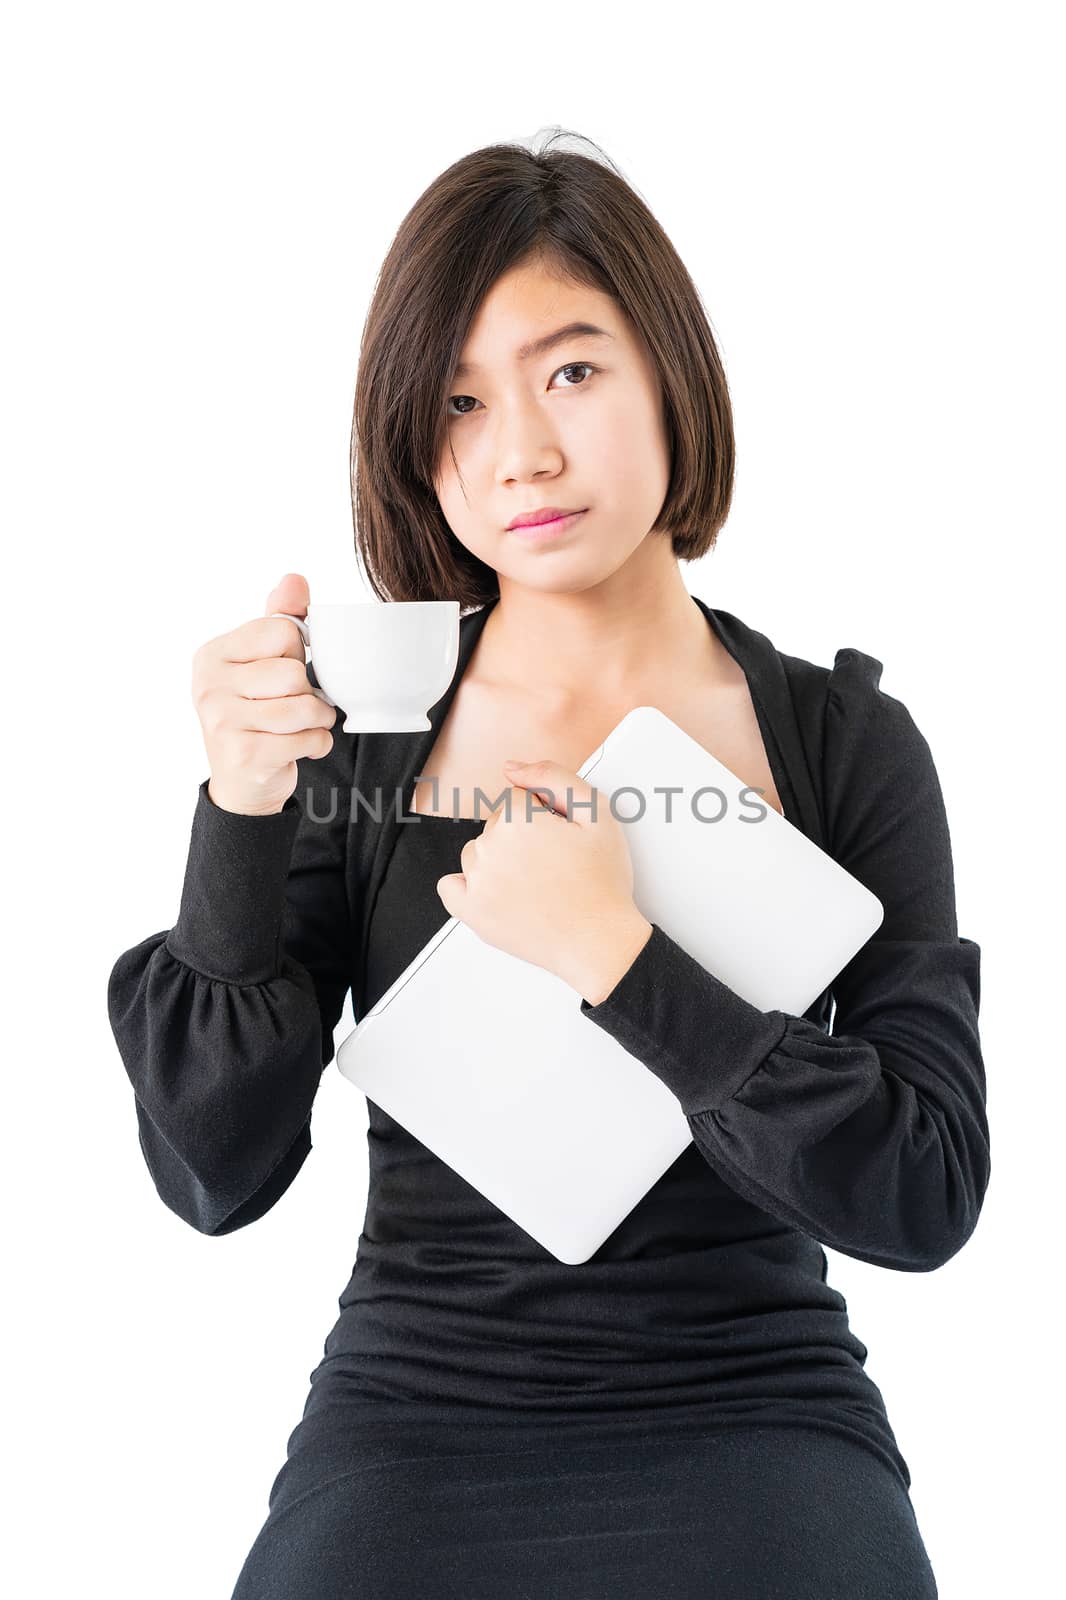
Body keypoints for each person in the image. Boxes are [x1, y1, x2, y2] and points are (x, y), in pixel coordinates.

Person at [107, 132, 989, 1598]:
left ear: (667, 377)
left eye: (568, 371)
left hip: (756, 1409)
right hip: (413, 1417)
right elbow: (215, 1176)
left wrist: (616, 958)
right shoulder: (364, 743)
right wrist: (239, 810)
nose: (516, 450)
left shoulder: (843, 743)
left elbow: (924, 1191)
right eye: (455, 403)